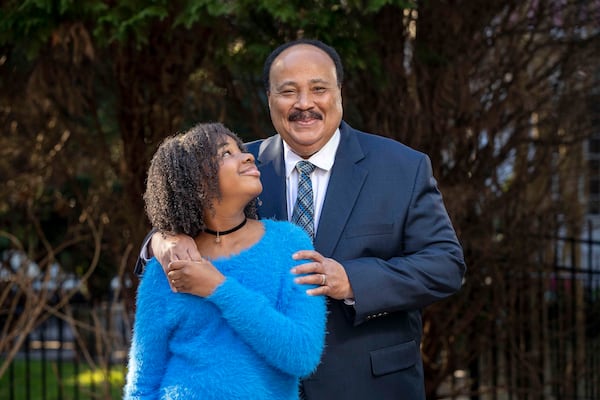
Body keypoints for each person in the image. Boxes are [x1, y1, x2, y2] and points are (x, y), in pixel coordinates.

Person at [136, 39, 466, 399]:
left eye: (318, 89)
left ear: (339, 92)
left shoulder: (402, 167)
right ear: (269, 99)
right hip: (264, 384)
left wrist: (352, 280)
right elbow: (182, 210)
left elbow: (445, 265)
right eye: (288, 91)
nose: (304, 104)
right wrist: (162, 240)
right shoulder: (242, 166)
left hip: (370, 384)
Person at [124, 122, 326, 399]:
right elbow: (142, 384)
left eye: (240, 150)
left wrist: (217, 287)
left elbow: (302, 355)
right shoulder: (168, 269)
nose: (247, 156)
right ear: (194, 181)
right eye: (225, 154)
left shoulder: (289, 245)